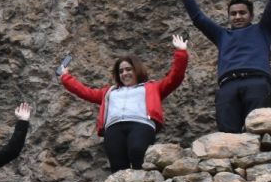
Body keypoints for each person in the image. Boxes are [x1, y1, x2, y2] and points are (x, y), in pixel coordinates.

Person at [168, 0, 271, 131]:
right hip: (228, 85)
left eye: (242, 13)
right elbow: (198, 18)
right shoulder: (222, 35)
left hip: (257, 82)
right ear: (228, 17)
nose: (237, 16)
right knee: (228, 133)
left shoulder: (262, 29)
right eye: (233, 13)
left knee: (259, 131)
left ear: (251, 15)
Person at [60, 36, 189, 172]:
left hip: (141, 124)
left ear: (137, 69)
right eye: (121, 71)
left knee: (138, 151)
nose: (124, 73)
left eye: (128, 69)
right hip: (113, 128)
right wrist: (65, 77)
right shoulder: (109, 92)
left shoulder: (152, 87)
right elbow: (84, 92)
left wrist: (181, 53)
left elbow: (175, 78)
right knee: (117, 165)